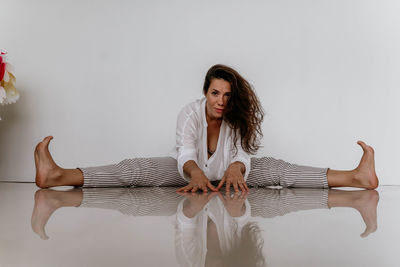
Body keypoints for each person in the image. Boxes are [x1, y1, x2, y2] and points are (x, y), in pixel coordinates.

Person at [34, 64, 379, 191]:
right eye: (215, 93)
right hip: (187, 173)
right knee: (134, 170)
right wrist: (195, 173)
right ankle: (57, 176)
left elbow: (244, 149)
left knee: (281, 171)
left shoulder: (237, 115)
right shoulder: (190, 113)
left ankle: (357, 177)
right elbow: (185, 150)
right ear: (205, 92)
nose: (221, 101)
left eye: (228, 95)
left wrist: (236, 167)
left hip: (233, 174)